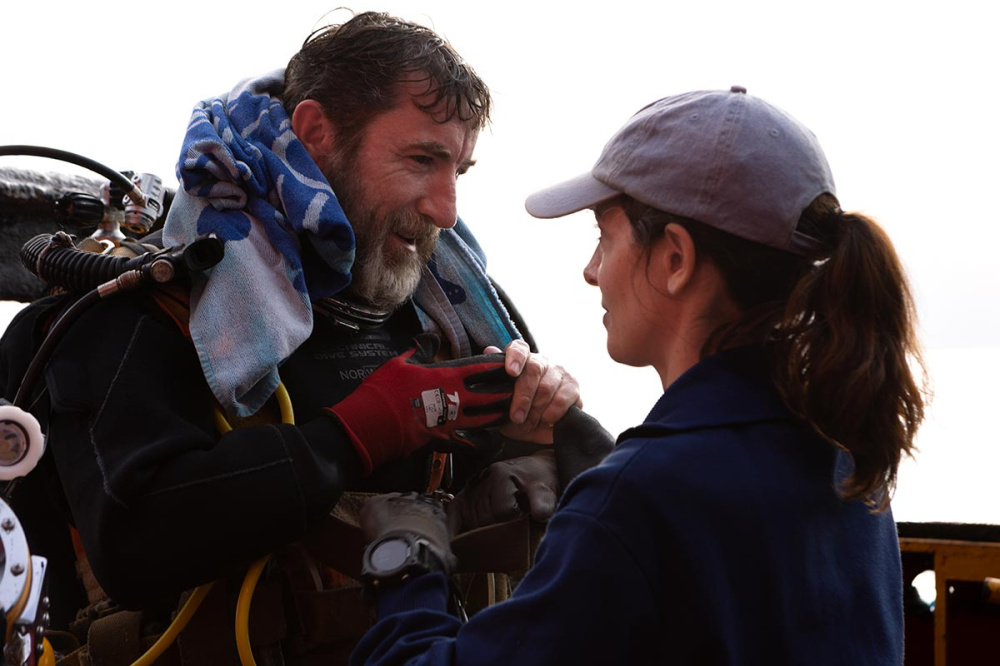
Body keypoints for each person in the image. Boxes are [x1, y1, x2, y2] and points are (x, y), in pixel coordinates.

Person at [0, 11, 596, 665]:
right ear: (316, 134)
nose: (446, 209)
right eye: (421, 159)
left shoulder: (448, 314)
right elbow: (132, 541)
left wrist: (546, 435)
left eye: (459, 169)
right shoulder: (146, 311)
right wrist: (356, 434)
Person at [350, 86, 927, 665]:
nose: (591, 270)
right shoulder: (850, 461)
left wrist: (407, 559)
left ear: (675, 259)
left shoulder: (639, 499)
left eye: (604, 236)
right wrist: (583, 448)